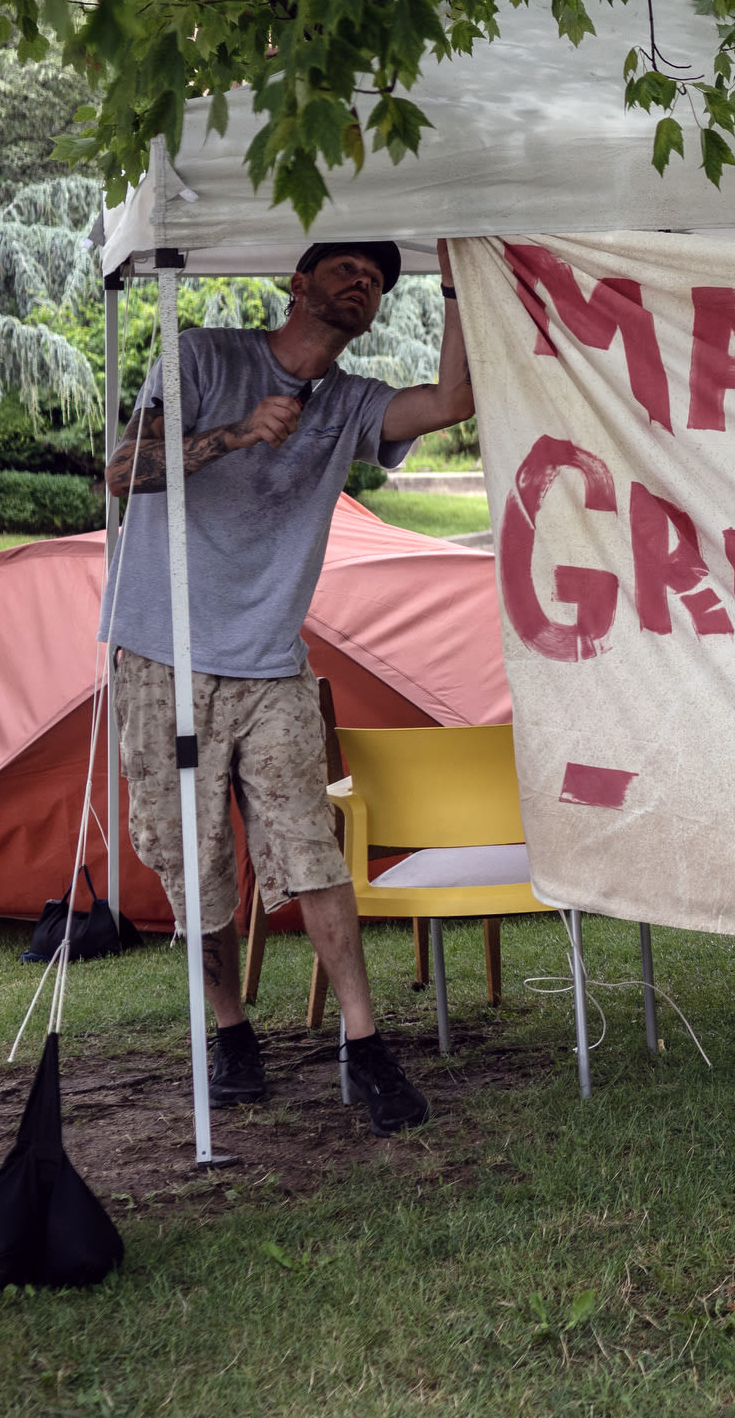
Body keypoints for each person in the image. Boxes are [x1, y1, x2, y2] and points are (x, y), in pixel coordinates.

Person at [105, 240, 473, 1136]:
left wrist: (460, 277)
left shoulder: (351, 404)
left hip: (271, 661)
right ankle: (233, 1037)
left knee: (311, 849)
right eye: (349, 268)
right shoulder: (201, 356)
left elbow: (456, 400)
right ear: (298, 282)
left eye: (381, 280)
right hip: (163, 652)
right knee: (193, 861)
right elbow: (122, 473)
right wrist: (233, 435)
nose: (366, 284)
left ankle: (365, 1045)